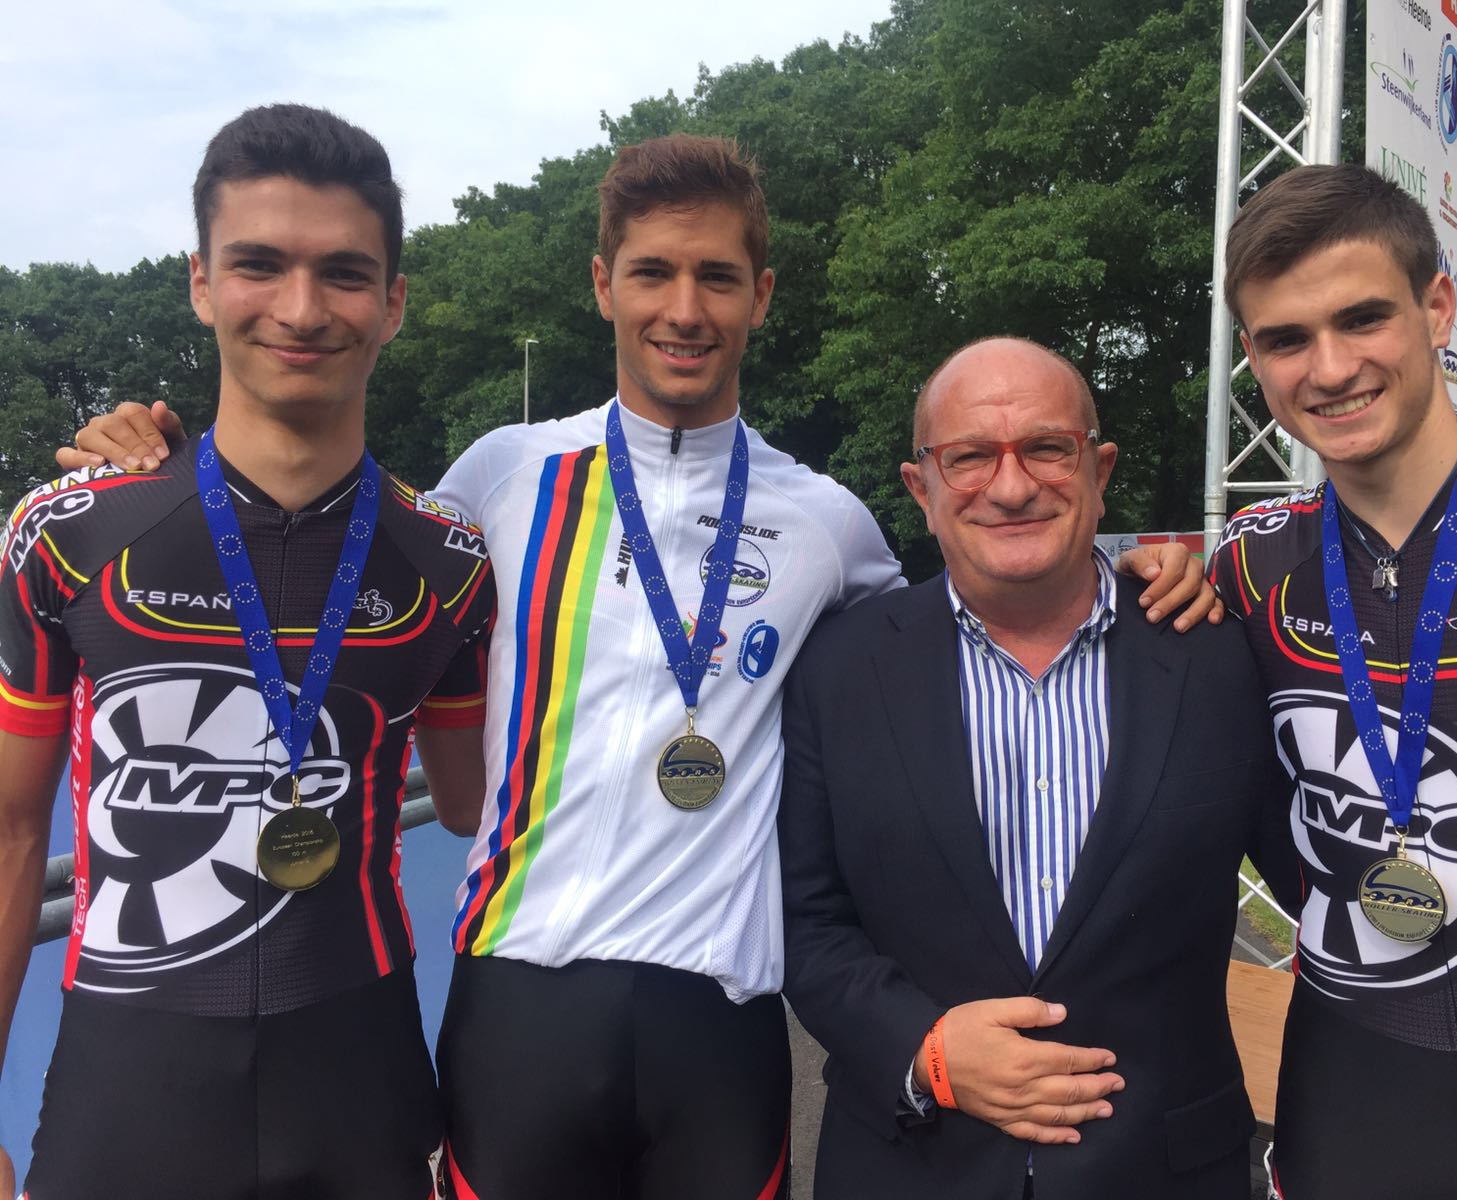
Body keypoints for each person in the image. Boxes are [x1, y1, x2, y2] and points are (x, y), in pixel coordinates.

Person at [61, 138, 1216, 1198]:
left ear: (760, 297)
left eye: (717, 277)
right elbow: (314, 522)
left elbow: (967, 614)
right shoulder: (500, 474)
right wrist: (162, 464)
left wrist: (1148, 574)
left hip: (719, 1019)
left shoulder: (827, 521)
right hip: (519, 996)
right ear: (602, 284)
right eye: (653, 273)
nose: (684, 308)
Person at [0, 104, 495, 1200]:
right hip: (128, 1079)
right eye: (259, 265)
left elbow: (468, 807)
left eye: (345, 273)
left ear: (395, 301)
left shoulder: (451, 560)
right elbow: (12, 830)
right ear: (201, 282)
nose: (303, 309)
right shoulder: (69, 529)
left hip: (361, 1070)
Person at [778, 336, 1296, 1199]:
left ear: (1099, 470)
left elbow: (1319, 879)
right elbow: (803, 918)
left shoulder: (1219, 652)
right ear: (923, 487)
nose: (1012, 486)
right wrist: (927, 1051)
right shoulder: (838, 668)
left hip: (1163, 1171)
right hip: (908, 1164)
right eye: (971, 456)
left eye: (1047, 449)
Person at [1213, 163, 1457, 1198]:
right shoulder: (1243, 569)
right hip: (1353, 1087)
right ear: (1251, 358)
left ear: (1436, 307)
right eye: (1284, 340)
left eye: (1361, 319)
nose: (1328, 367)